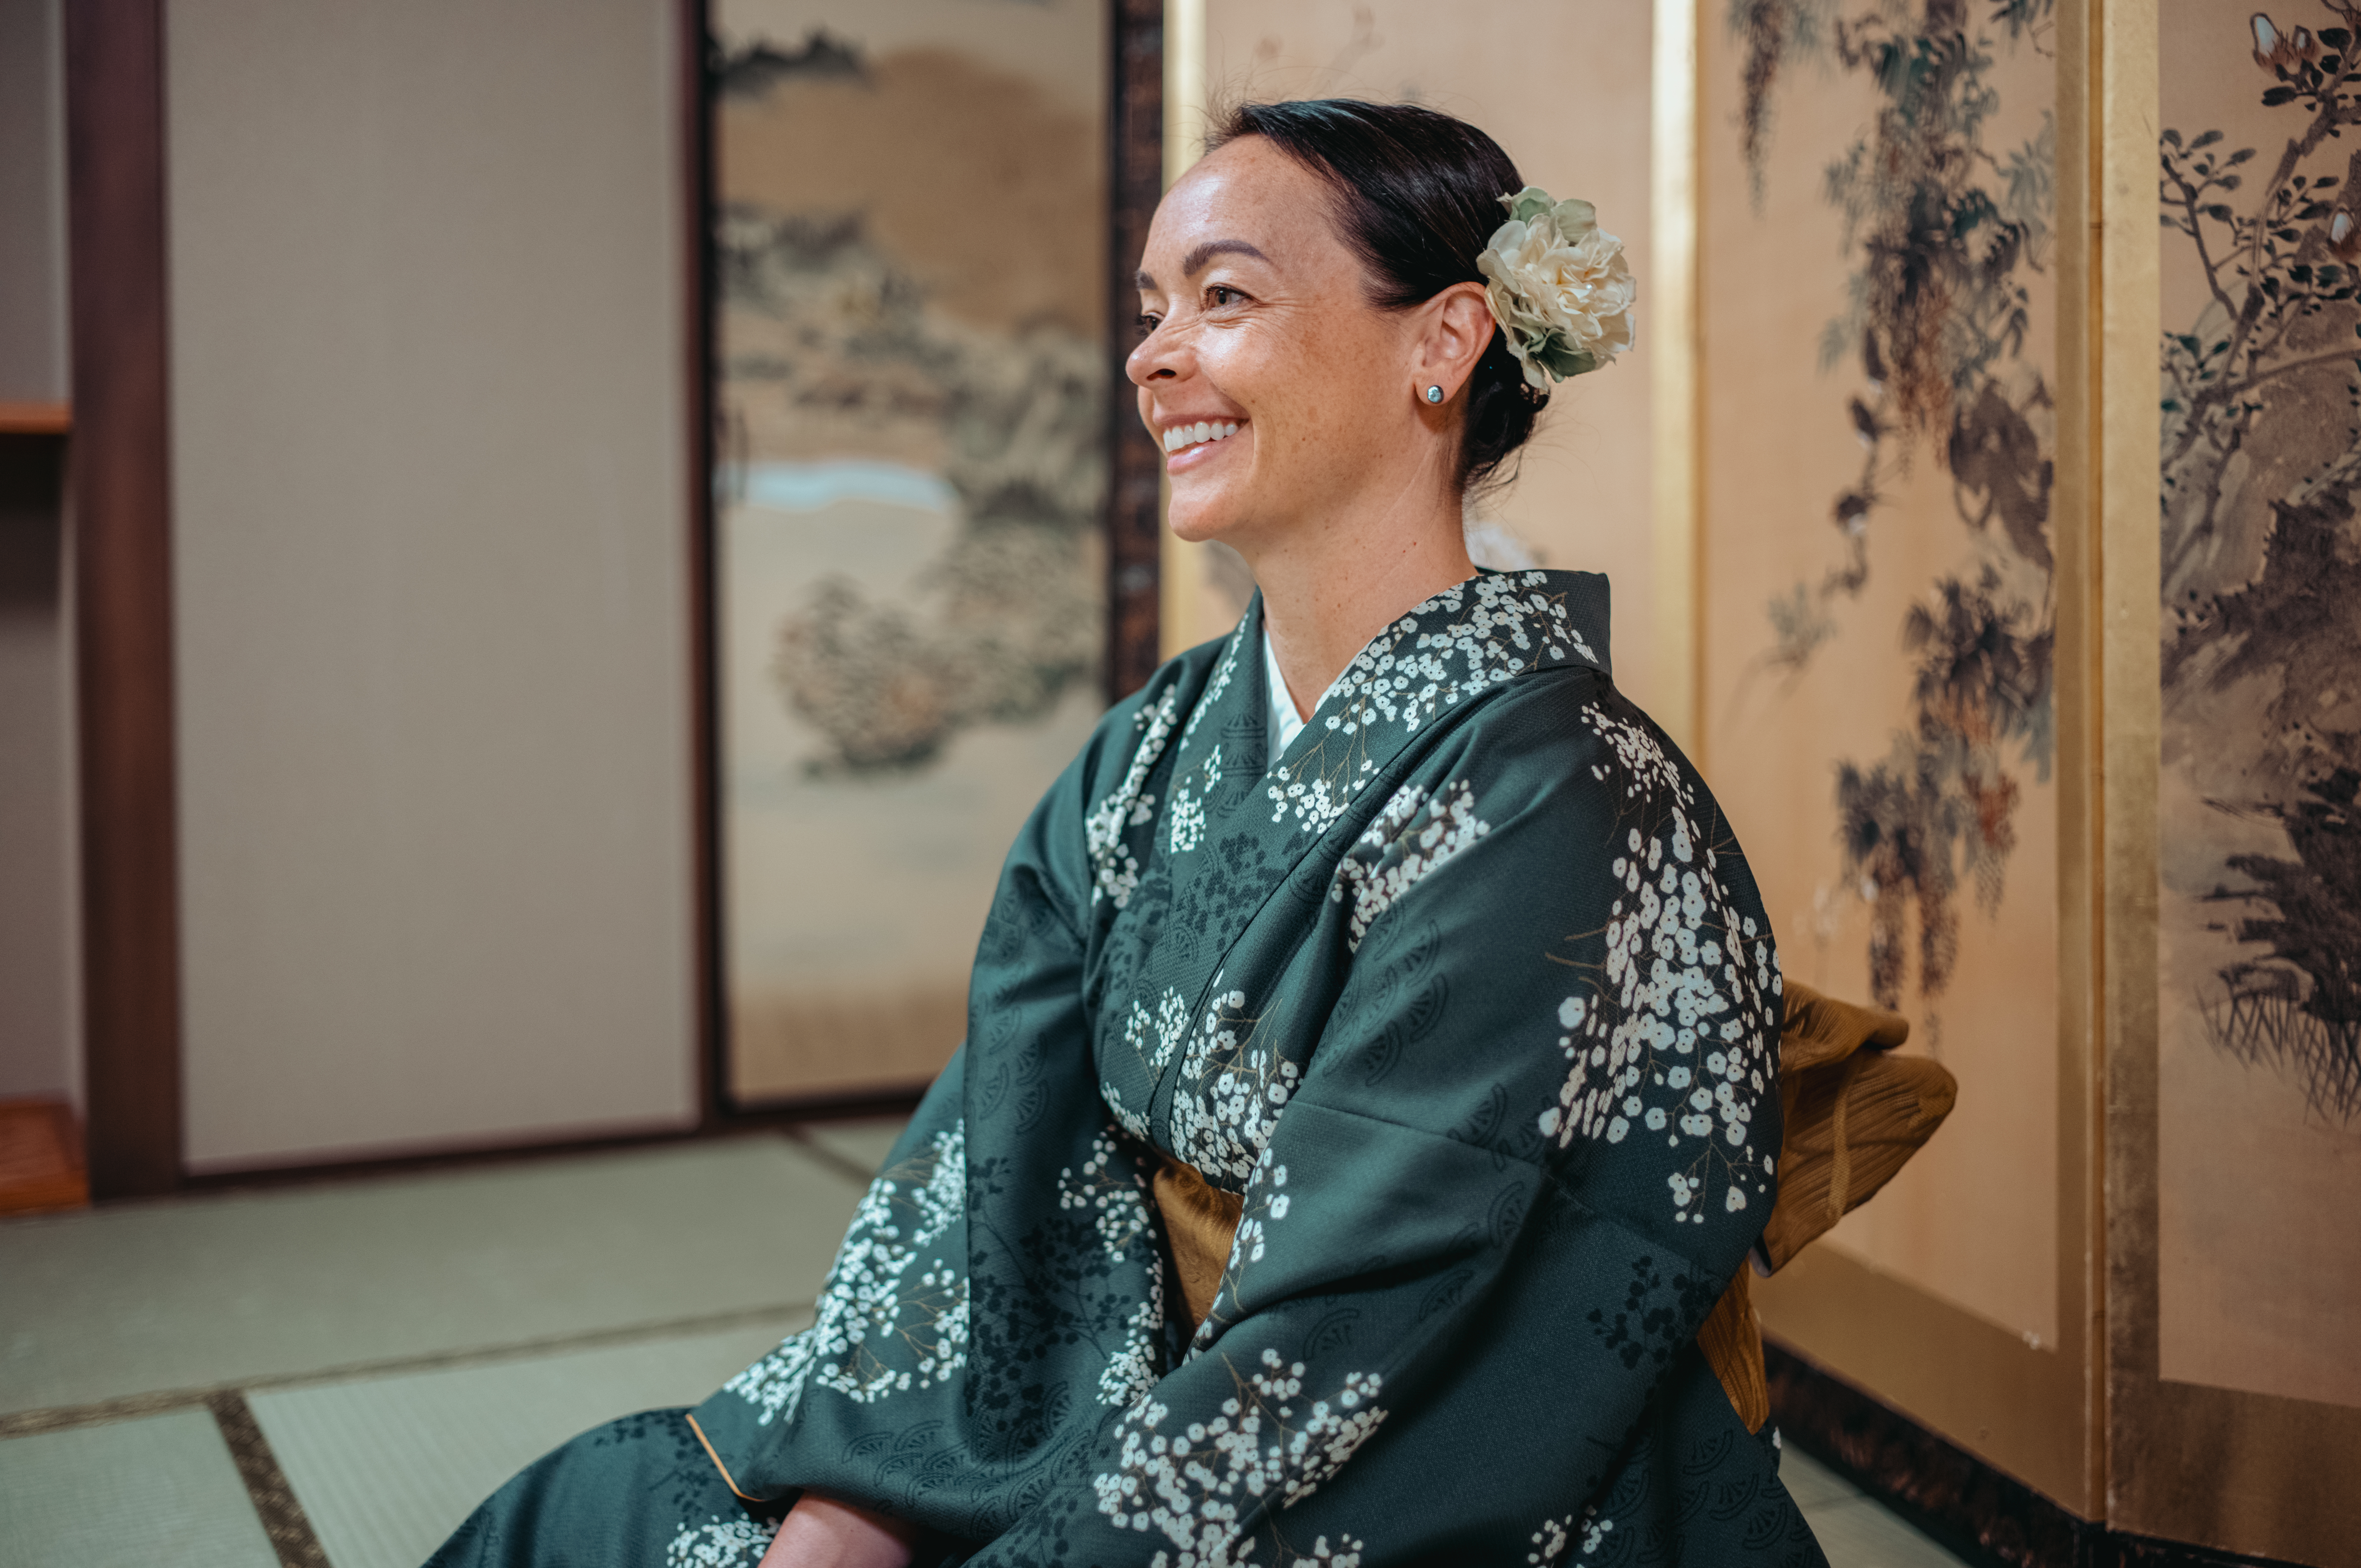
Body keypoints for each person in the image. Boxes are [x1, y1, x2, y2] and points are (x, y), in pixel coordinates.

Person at [428, 98, 1823, 1568]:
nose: (1153, 359)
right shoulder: (1147, 751)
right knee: (588, 1514)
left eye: (1222, 298)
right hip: (1107, 1395)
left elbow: (1371, 1323)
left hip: (1404, 1463)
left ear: (1443, 342)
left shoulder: (1556, 798)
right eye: (1151, 308)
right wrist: (860, 1504)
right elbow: (998, 1155)